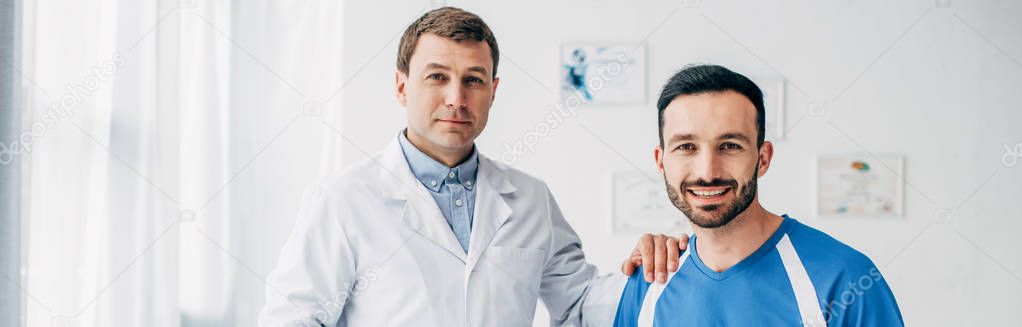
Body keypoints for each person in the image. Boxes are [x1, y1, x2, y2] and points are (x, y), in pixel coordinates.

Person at [259, 7, 686, 326]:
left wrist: (656, 270)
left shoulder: (530, 198)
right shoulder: (343, 200)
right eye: (437, 77)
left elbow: (579, 302)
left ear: (494, 91)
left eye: (474, 80)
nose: (456, 98)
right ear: (401, 86)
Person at [613, 65, 904, 326]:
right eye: (686, 147)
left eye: (729, 145)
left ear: (763, 158)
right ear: (661, 161)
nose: (708, 171)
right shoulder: (649, 283)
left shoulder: (845, 279)